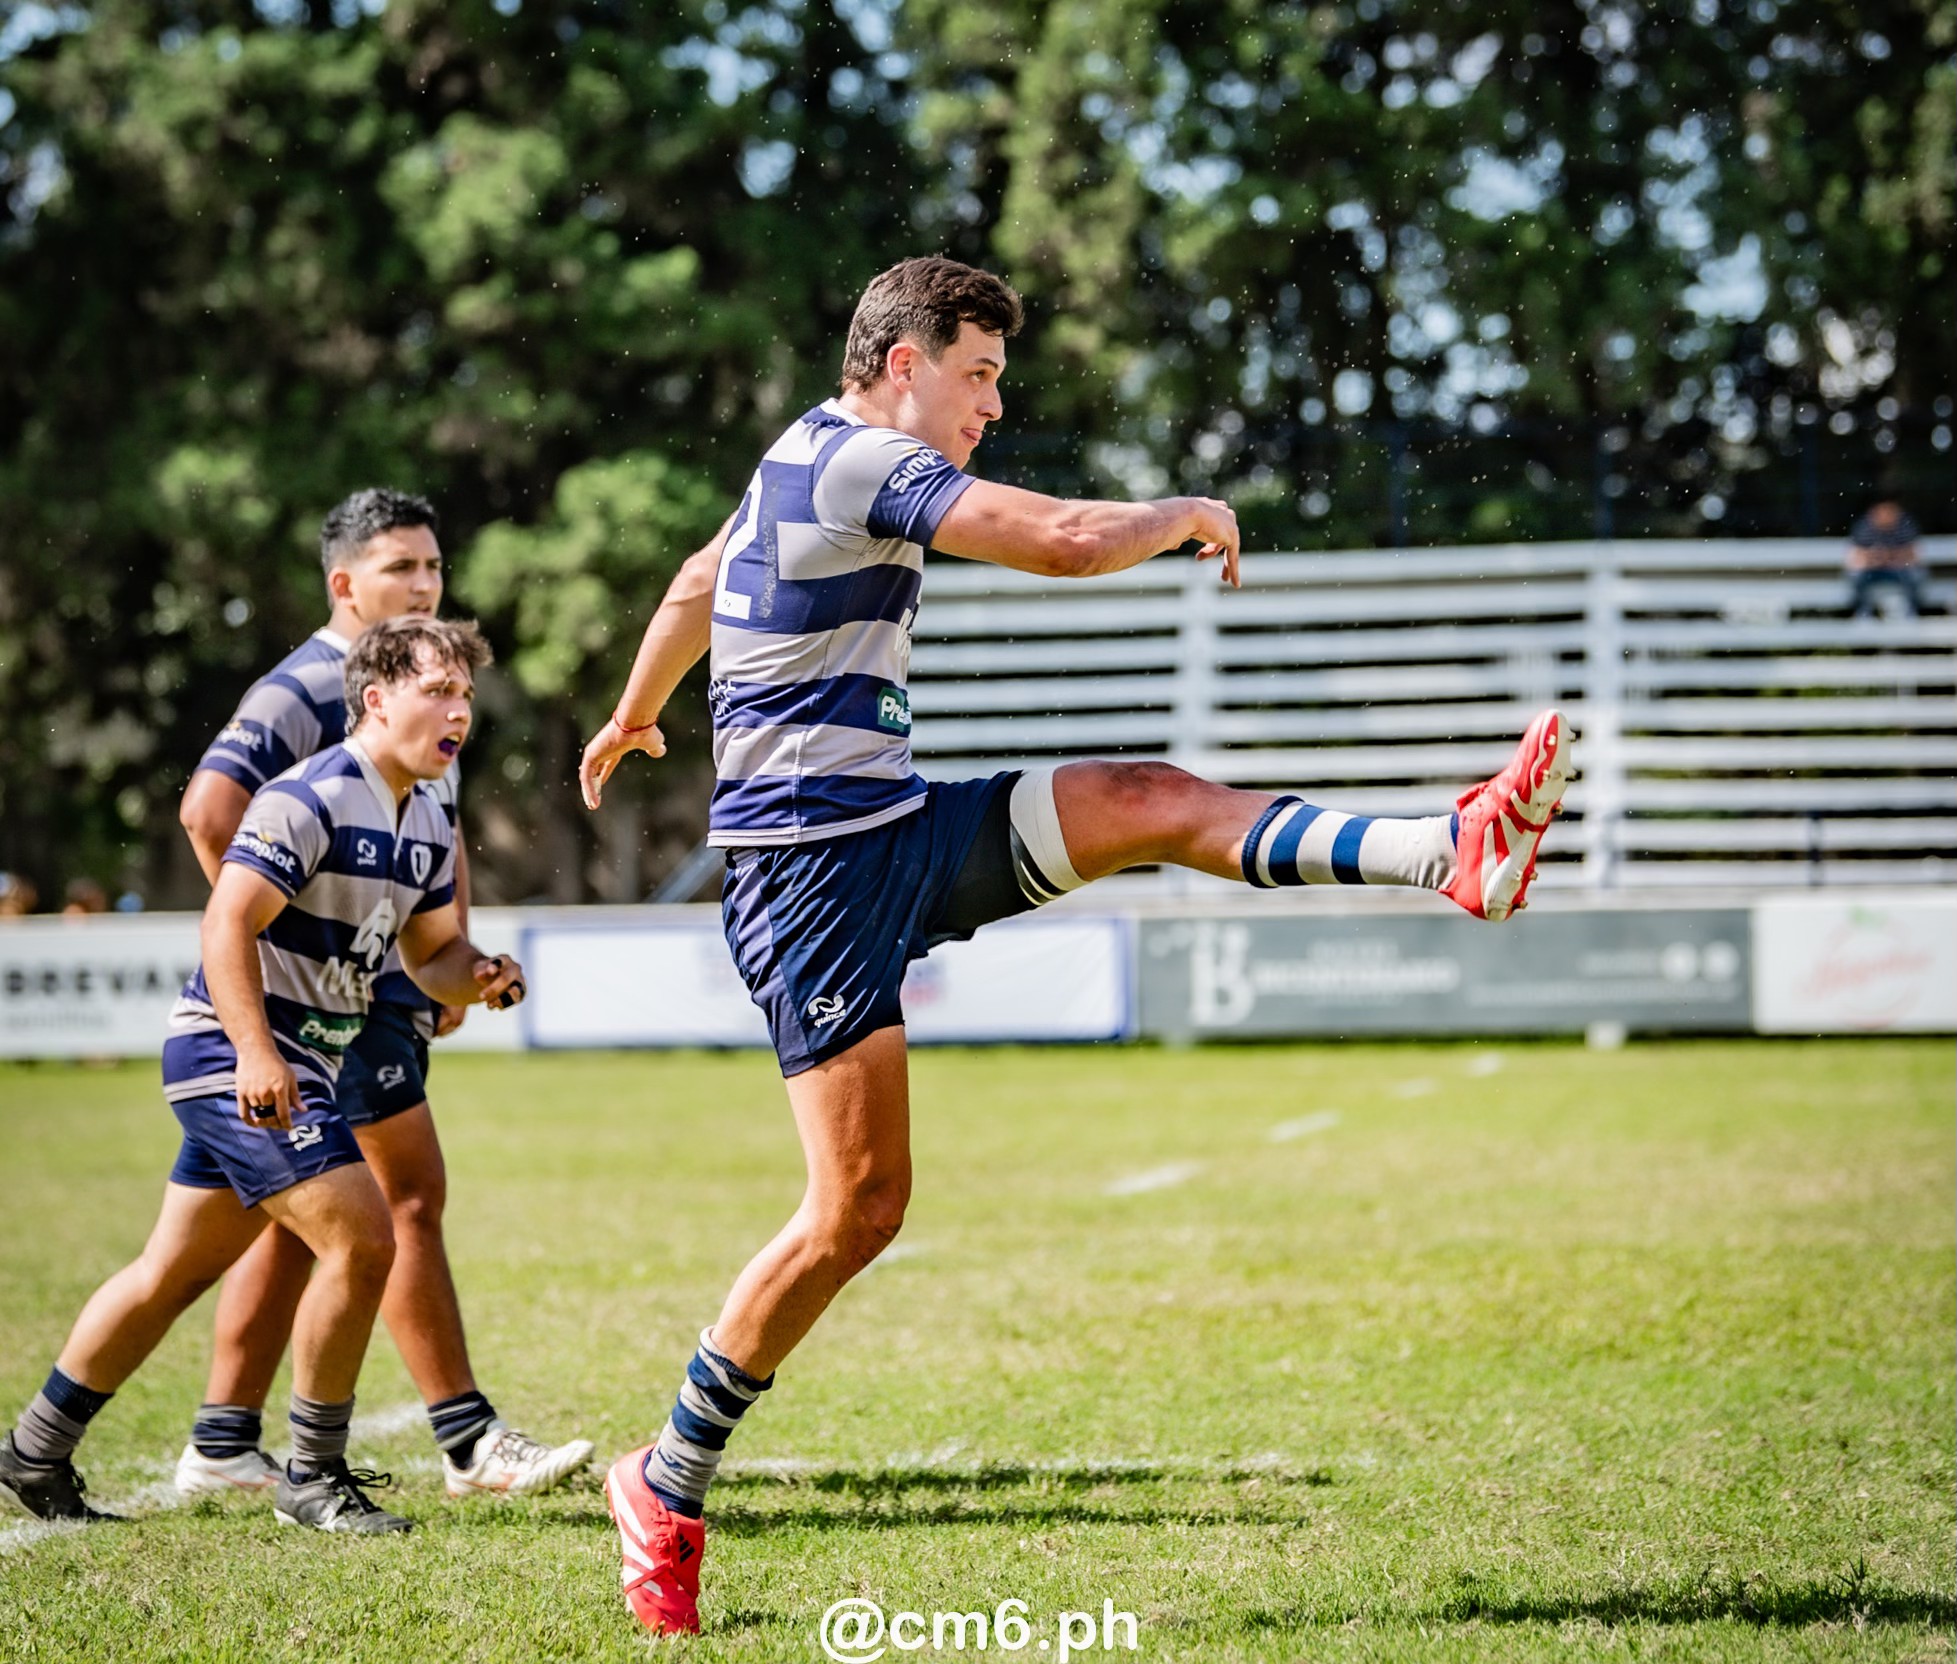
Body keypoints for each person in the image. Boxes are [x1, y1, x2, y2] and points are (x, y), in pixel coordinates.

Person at [575, 256, 1576, 1635]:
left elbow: (697, 581)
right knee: (858, 1209)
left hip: (889, 827)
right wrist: (1187, 511)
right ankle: (664, 1473)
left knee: (1143, 799)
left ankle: (1442, 850)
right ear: (901, 362)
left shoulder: (791, 463)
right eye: (977, 374)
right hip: (806, 877)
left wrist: (633, 715)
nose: (991, 405)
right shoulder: (863, 459)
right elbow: (1060, 543)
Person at [0, 617, 529, 1533]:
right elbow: (225, 922)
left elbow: (431, 951)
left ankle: (31, 1452)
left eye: (466, 698)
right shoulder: (312, 796)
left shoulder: (430, 814)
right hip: (233, 1054)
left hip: (304, 1062)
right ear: (376, 697)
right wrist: (255, 1051)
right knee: (364, 1238)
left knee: (169, 1272)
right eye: (437, 691)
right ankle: (313, 1478)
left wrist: (476, 976)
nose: (458, 714)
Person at [172, 489, 591, 1501]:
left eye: (434, 567)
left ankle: (224, 1433)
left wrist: (446, 956)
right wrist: (301, 958)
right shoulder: (305, 685)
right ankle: (466, 1436)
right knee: (400, 1200)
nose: (424, 584)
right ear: (344, 582)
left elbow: (431, 842)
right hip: (320, 1001)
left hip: (381, 982)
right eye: (401, 568)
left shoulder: (429, 678)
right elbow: (209, 813)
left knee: (296, 1215)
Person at [1846, 500, 1926, 619]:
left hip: (1899, 569)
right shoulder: (1863, 527)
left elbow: (1913, 554)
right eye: (1883, 511)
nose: (1886, 515)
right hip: (1872, 570)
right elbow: (1856, 556)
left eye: (1890, 511)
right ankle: (1862, 610)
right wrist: (1877, 559)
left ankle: (1912, 610)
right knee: (1856, 576)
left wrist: (1889, 557)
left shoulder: (1906, 526)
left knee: (1915, 575)